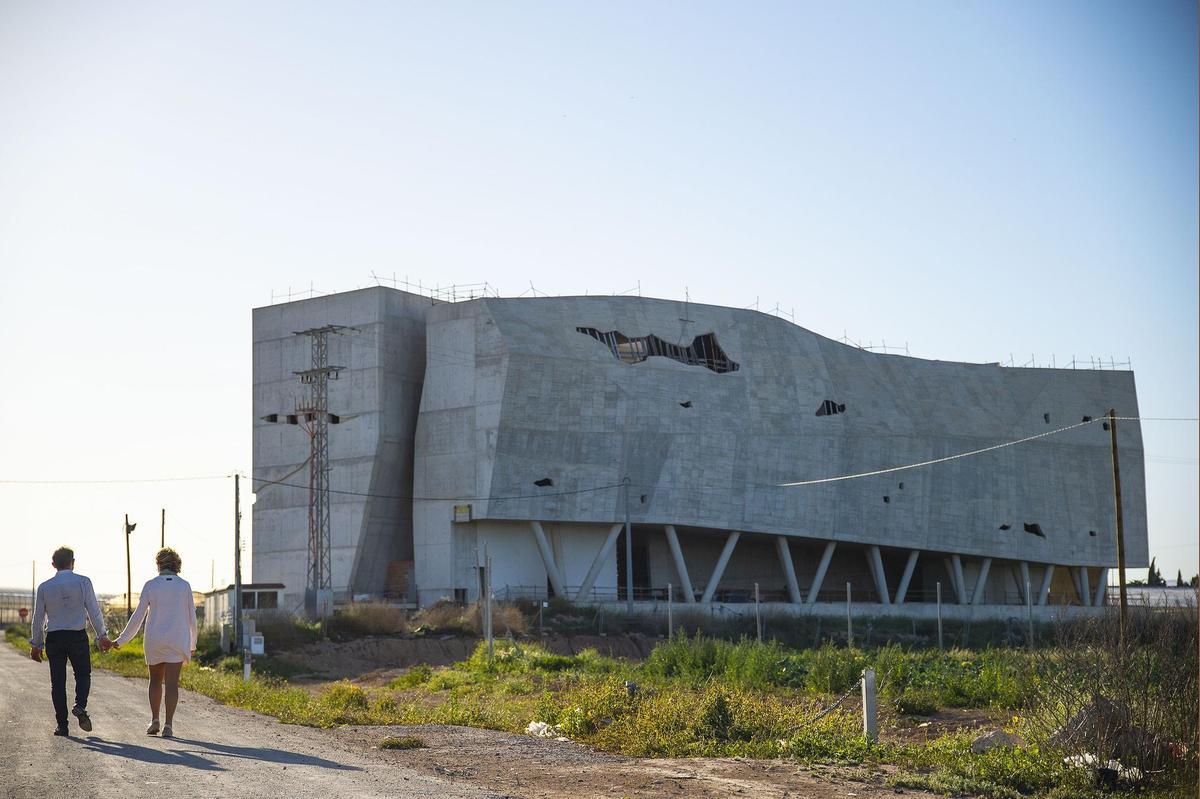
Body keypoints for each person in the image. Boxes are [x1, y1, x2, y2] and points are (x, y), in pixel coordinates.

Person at [113, 547, 198, 738]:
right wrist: (192, 644)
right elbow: (192, 617)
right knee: (172, 684)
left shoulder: (150, 585)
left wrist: (121, 640)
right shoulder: (184, 586)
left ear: (158, 564)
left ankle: (154, 720)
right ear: (177, 565)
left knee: (155, 681)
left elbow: (138, 617)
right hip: (177, 639)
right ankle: (168, 725)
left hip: (155, 639)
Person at [29, 546, 113, 736]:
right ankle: (80, 705)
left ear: (53, 565)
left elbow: (38, 618)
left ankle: (62, 726)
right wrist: (102, 636)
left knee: (57, 682)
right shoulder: (83, 582)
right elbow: (93, 610)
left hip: (55, 637)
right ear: (73, 562)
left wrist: (36, 645)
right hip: (77, 636)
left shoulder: (44, 587)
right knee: (83, 674)